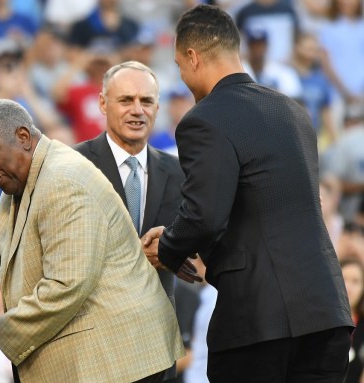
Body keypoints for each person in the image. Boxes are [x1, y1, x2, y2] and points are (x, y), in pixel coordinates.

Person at [146, 5, 353, 382]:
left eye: (178, 65)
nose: (182, 74)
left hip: (261, 323)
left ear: (193, 57)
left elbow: (204, 216)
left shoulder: (203, 118)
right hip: (327, 310)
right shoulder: (293, 111)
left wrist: (169, 248)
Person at [0, 99, 184, 383]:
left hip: (118, 359)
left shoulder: (63, 180)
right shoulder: (19, 182)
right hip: (96, 358)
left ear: (23, 137)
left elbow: (66, 284)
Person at [74, 60, 200, 381]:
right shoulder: (73, 165)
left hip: (155, 349)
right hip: (91, 345)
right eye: (125, 100)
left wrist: (176, 248)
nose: (137, 110)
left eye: (146, 101)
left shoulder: (180, 172)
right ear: (103, 103)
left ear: (158, 107)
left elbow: (196, 242)